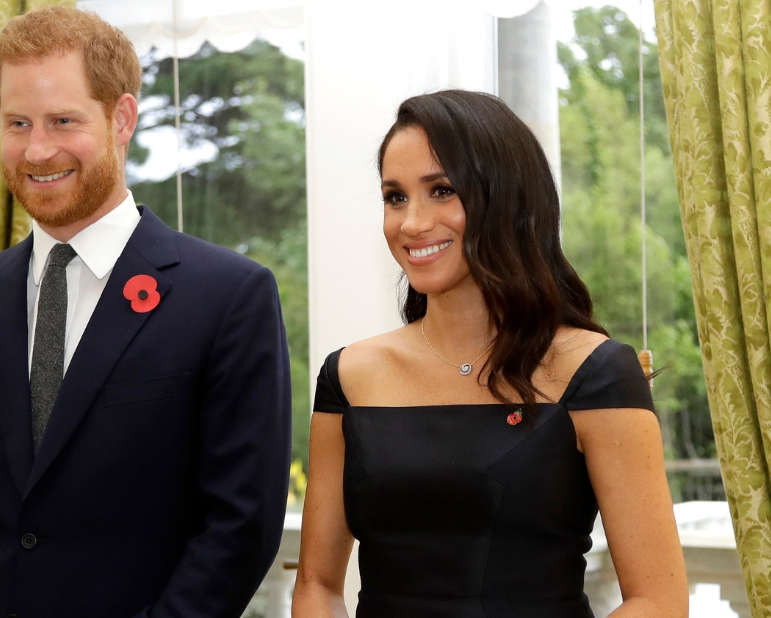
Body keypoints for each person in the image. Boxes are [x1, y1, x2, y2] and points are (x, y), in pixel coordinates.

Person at [0, 6, 292, 618]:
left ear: (121, 119)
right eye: (17, 122)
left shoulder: (228, 298)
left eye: (63, 120)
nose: (37, 149)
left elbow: (239, 524)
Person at [292, 90, 688, 617]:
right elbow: (316, 585)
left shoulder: (594, 371)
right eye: (395, 196)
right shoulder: (349, 375)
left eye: (442, 190)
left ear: (508, 198)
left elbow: (658, 601)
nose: (411, 223)